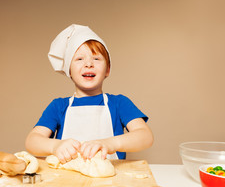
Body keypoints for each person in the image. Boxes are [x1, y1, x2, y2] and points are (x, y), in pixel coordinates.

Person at [25, 24, 153, 164]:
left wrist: (110, 144)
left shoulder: (119, 103)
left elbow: (145, 136)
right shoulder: (58, 106)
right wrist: (55, 146)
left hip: (110, 182)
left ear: (108, 70)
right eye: (79, 59)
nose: (88, 64)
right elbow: (32, 141)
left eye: (96, 59)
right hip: (66, 181)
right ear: (69, 71)